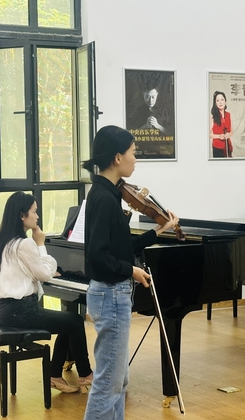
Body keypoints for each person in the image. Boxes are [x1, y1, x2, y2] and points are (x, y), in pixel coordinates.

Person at [81, 125, 179, 419]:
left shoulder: (108, 194)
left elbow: (121, 246)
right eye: (133, 153)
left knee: (118, 382)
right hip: (111, 294)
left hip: (113, 294)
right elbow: (97, 257)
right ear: (117, 158)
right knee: (108, 384)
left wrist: (158, 231)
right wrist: (132, 270)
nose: (136, 159)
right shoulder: (103, 198)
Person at [0, 191, 94, 394]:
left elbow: (34, 271)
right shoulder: (25, 244)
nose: (37, 216)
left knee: (68, 321)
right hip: (21, 312)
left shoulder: (4, 241)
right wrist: (41, 245)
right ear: (22, 215)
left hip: (5, 311)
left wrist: (43, 270)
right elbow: (44, 274)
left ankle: (55, 375)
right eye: (34, 212)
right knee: (74, 321)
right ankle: (86, 374)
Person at [209, 90, 233, 157]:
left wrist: (228, 135)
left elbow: (231, 131)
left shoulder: (228, 115)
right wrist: (219, 136)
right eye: (217, 100)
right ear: (215, 103)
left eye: (222, 100)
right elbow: (207, 134)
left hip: (227, 146)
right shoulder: (212, 116)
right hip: (217, 148)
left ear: (225, 101)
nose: (220, 102)